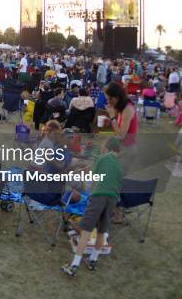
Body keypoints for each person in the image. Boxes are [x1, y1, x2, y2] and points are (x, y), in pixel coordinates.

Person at [62, 137, 123, 276]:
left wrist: (86, 173)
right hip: (112, 199)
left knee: (86, 231)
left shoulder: (100, 158)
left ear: (106, 147)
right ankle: (93, 260)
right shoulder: (120, 166)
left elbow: (93, 180)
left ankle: (74, 265)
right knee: (102, 231)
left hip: (98, 197)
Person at [104, 82, 138, 174]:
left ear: (116, 97)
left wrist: (112, 117)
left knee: (119, 179)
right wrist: (111, 120)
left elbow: (121, 135)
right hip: (121, 147)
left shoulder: (127, 109)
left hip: (127, 149)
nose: (108, 102)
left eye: (109, 99)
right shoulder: (120, 106)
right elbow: (118, 127)